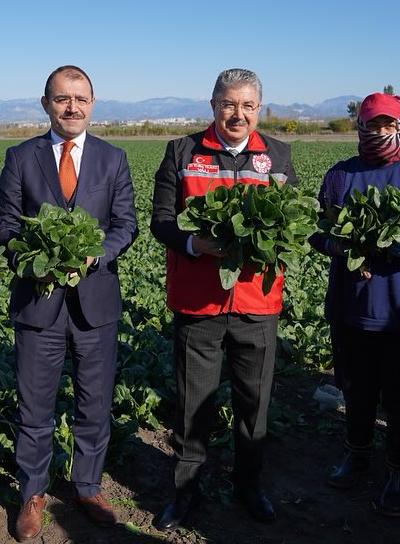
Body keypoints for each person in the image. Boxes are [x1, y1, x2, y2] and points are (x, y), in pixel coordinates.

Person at [149, 68, 295, 531]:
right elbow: (160, 221)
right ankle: (186, 492)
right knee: (194, 406)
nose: (238, 114)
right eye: (229, 104)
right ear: (213, 105)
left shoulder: (278, 154)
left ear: (258, 110)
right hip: (199, 304)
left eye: (248, 106)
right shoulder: (182, 152)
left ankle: (248, 485)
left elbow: (289, 224)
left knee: (255, 405)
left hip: (257, 302)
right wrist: (196, 244)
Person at [0, 65, 138, 540]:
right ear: (46, 104)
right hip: (39, 304)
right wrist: (41, 261)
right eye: (62, 99)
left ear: (92, 103)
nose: (71, 107)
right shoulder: (20, 157)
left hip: (95, 305)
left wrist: (99, 255)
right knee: (34, 406)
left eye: (80, 98)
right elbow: (8, 228)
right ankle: (32, 492)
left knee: (94, 403)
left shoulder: (113, 158)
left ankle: (87, 486)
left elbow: (125, 224)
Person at [312, 92, 400, 517]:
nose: (378, 131)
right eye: (371, 124)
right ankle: (356, 455)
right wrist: (335, 244)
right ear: (359, 126)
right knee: (356, 391)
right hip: (352, 306)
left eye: (387, 124)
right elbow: (315, 230)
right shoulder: (340, 175)